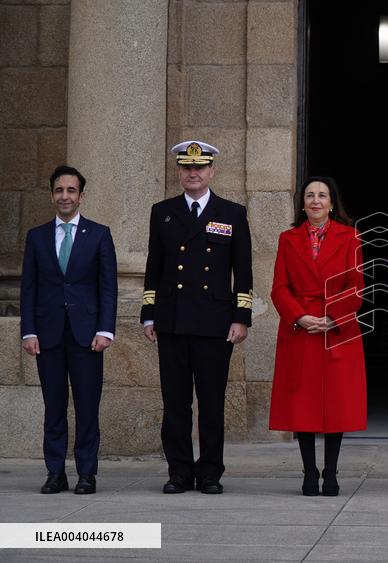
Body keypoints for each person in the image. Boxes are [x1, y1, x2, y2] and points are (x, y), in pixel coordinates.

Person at [141, 140, 253, 495]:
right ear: (179, 172)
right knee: (175, 402)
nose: (193, 173)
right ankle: (178, 472)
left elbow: (243, 271)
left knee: (211, 403)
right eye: (186, 168)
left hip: (214, 323)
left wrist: (242, 317)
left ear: (211, 171)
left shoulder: (231, 213)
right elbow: (154, 266)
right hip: (172, 319)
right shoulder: (163, 211)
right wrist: (148, 313)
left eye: (199, 167)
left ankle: (209, 473)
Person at [20, 165, 118, 495]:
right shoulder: (36, 237)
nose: (65, 196)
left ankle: (87, 473)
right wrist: (28, 331)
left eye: (71, 190)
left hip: (87, 336)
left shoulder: (99, 234)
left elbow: (108, 287)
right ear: (52, 195)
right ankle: (55, 472)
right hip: (47, 335)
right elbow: (28, 288)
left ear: (81, 196)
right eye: (59, 190)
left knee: (87, 405)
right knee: (54, 404)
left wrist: (106, 330)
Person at [269, 176, 366, 496]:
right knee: (303, 405)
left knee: (336, 404)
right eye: (310, 195)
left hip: (337, 330)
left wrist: (331, 317)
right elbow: (279, 287)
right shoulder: (288, 238)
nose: (316, 201)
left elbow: (356, 286)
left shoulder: (350, 237)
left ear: (332, 203)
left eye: (322, 195)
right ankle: (310, 472)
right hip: (301, 329)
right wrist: (300, 316)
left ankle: (332, 473)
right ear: (302, 203)